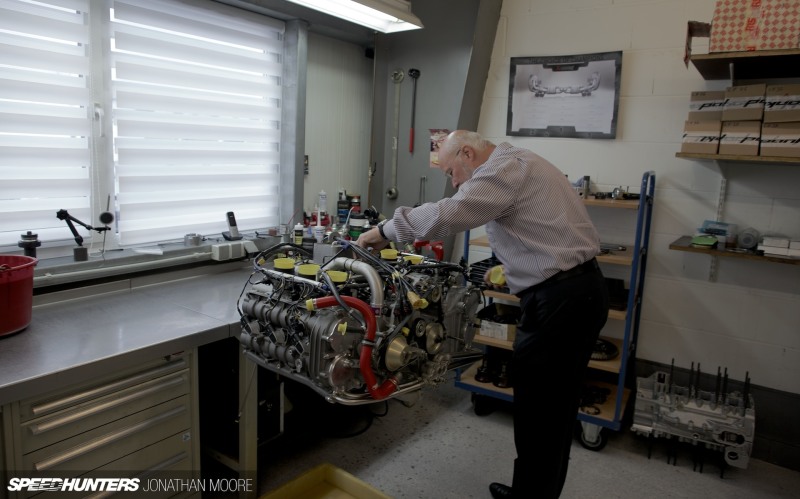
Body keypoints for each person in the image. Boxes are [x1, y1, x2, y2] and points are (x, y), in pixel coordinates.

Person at [356, 130, 609, 499]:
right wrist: (514, 265)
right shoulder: (522, 163)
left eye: (451, 171)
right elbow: (542, 231)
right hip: (571, 293)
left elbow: (452, 212)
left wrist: (385, 231)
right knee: (547, 408)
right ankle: (531, 491)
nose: (453, 181)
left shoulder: (504, 168)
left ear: (469, 154)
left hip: (562, 300)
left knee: (543, 413)